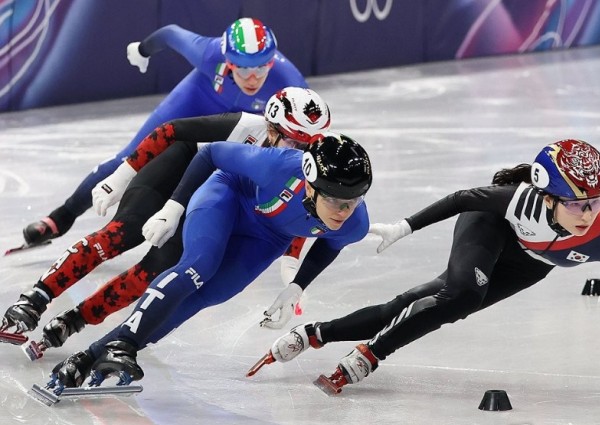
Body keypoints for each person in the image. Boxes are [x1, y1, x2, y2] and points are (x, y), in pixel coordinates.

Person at [256, 139, 600, 393]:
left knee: (424, 304)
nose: (587, 214)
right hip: (488, 227)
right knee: (462, 296)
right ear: (547, 196)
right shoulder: (517, 200)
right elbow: (463, 198)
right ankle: (370, 354)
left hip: (529, 265)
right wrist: (405, 227)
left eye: (595, 202)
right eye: (575, 204)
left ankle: (315, 333)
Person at [1, 87, 330, 353]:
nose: (300, 152)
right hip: (178, 169)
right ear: (270, 129)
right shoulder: (245, 126)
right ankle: (36, 297)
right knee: (123, 232)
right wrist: (122, 175)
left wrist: (293, 265)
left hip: (209, 200)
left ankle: (75, 320)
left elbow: (301, 209)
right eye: (294, 142)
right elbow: (170, 130)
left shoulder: (308, 163)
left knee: (155, 272)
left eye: (309, 145)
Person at [46, 133, 372, 391]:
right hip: (227, 196)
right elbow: (211, 153)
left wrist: (297, 286)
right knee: (199, 267)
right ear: (310, 186)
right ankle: (124, 344)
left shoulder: (355, 223)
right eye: (334, 200)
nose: (344, 211)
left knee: (209, 294)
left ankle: (89, 357)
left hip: (268, 237)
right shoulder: (277, 167)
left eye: (353, 201)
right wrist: (174, 207)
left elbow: (331, 244)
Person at [21, 17, 307, 248]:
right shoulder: (209, 53)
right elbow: (171, 33)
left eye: (261, 68)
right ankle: (60, 217)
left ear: (272, 62)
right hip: (196, 98)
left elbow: (309, 136)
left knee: (240, 171)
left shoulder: (290, 82)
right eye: (243, 70)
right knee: (130, 158)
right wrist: (142, 50)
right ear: (228, 61)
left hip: (244, 119)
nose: (253, 78)